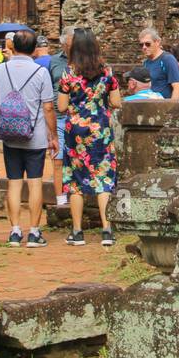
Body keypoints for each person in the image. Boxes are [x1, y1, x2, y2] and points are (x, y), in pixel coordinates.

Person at [0, 29, 57, 248]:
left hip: (9, 134)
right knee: (34, 183)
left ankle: (14, 231)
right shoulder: (40, 72)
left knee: (13, 183)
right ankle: (33, 232)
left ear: (13, 46)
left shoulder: (0, 69)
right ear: (33, 49)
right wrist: (54, 135)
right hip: (35, 135)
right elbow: (48, 107)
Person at [57, 29, 122, 247]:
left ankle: (77, 232)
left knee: (76, 180)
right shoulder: (107, 72)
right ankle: (107, 230)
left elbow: (61, 106)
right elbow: (116, 102)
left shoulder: (68, 73)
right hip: (101, 129)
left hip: (76, 131)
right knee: (103, 178)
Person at [49, 28, 74, 201]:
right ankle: (60, 199)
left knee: (78, 158)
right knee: (58, 159)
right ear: (64, 43)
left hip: (79, 116)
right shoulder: (54, 61)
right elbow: (49, 84)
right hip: (58, 116)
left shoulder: (84, 61)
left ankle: (76, 196)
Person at [139, 27, 179, 99]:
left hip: (165, 106)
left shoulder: (168, 59)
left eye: (147, 44)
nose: (144, 47)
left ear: (157, 42)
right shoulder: (146, 63)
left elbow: (178, 89)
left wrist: (171, 108)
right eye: (141, 45)